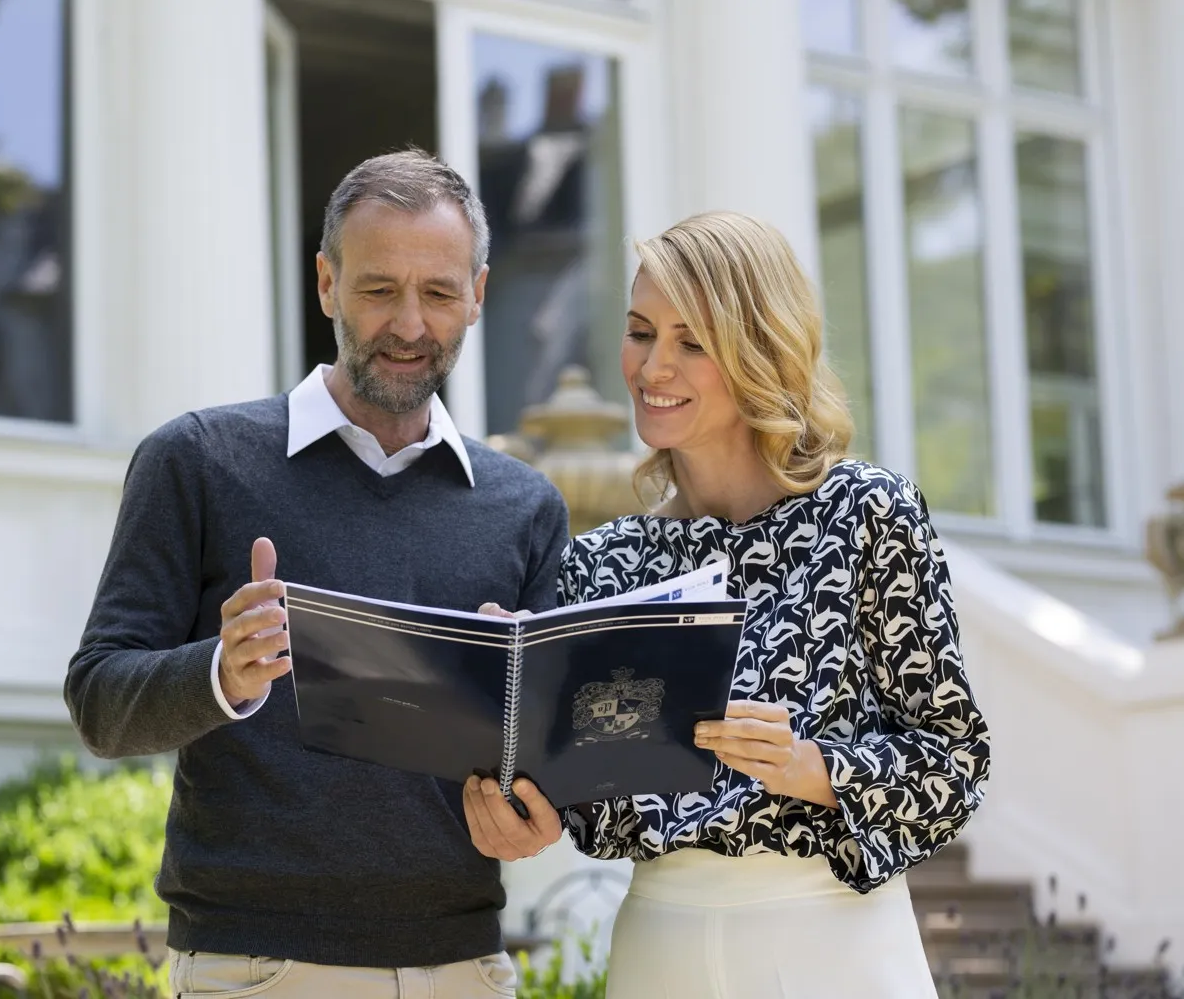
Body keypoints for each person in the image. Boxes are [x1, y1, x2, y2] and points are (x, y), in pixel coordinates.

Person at [65, 149, 570, 999]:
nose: (410, 324)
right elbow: (99, 705)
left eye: (439, 293)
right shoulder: (196, 461)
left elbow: (547, 771)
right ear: (327, 283)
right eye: (379, 290)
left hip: (466, 973)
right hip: (260, 970)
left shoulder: (524, 506)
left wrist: (531, 816)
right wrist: (220, 673)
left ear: (478, 295)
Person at [467, 211, 991, 997]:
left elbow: (955, 762)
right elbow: (597, 814)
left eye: (692, 342)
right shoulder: (605, 563)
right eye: (642, 332)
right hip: (658, 950)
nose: (652, 367)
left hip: (833, 943)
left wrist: (809, 767)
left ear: (759, 352)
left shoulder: (865, 514)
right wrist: (518, 759)